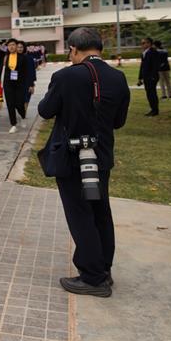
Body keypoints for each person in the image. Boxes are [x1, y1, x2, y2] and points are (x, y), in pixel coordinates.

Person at [38, 27, 130, 297]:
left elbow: (45, 110)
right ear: (99, 49)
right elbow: (119, 121)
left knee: (80, 215)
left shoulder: (65, 76)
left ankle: (92, 277)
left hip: (72, 157)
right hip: (100, 156)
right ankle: (104, 269)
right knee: (101, 211)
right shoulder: (118, 77)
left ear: (73, 50)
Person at [2, 38, 30, 133]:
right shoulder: (5, 57)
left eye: (13, 45)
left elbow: (27, 72)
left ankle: (23, 116)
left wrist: (29, 84)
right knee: (10, 105)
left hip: (19, 84)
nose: (11, 47)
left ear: (16, 46)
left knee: (19, 104)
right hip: (8, 84)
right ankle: (13, 124)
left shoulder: (23, 57)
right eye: (9, 45)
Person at [138, 37, 160, 116]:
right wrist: (140, 77)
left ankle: (155, 110)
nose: (142, 45)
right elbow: (142, 66)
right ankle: (153, 109)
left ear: (149, 44)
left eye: (144, 43)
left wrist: (153, 76)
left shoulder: (153, 52)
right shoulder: (144, 53)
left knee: (152, 93)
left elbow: (155, 65)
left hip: (151, 77)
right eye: (142, 43)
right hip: (146, 76)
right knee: (149, 93)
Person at [17, 40, 37, 114]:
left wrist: (31, 84)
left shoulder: (29, 58)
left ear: (24, 48)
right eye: (18, 47)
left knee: (26, 99)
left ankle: (24, 113)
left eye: (21, 47)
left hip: (27, 82)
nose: (19, 49)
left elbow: (32, 71)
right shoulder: (13, 58)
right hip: (17, 83)